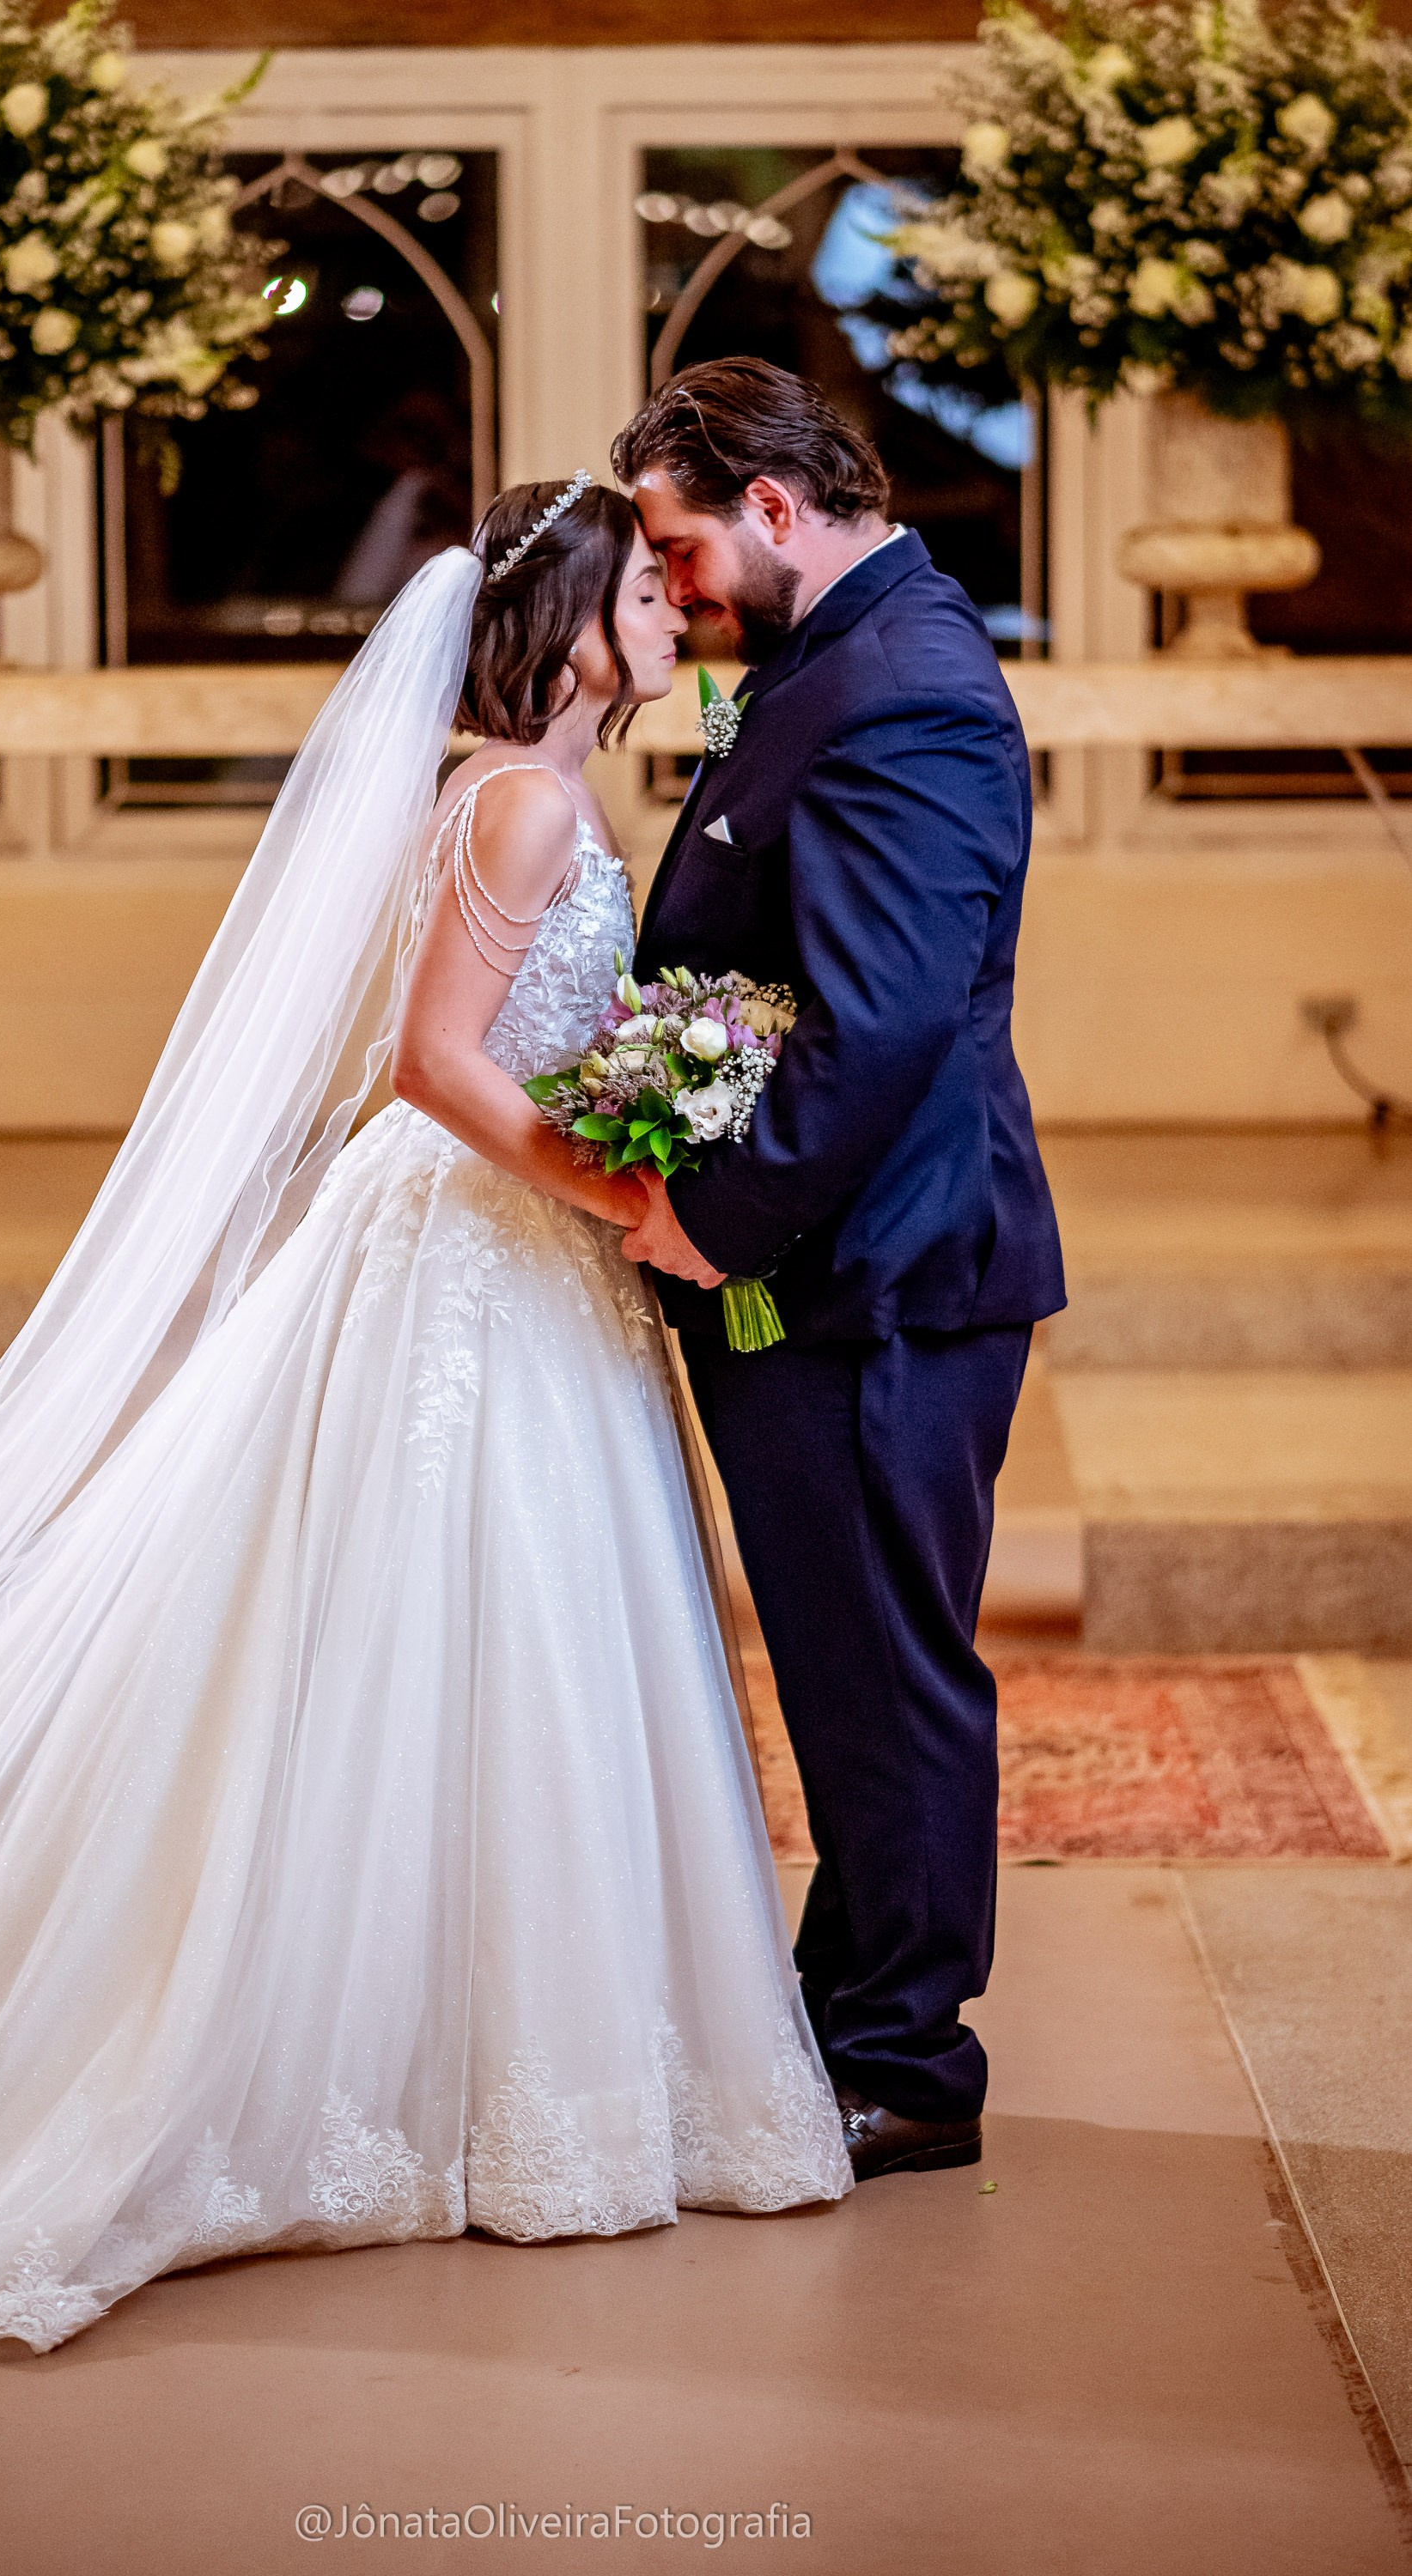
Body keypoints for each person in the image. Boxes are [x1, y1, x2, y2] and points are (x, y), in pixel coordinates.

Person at [0, 478, 845, 2360]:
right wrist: (621, 1187)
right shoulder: (534, 798)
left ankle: (472, 2064)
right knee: (483, 1622)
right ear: (561, 624)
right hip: (481, 1246)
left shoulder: (493, 783)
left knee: (480, 1635)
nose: (671, 609)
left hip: (475, 1248)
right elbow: (434, 1058)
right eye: (643, 587)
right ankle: (462, 2079)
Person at [613, 358, 1066, 2183]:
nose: (673, 588)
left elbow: (875, 1030)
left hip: (879, 1279)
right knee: (844, 1668)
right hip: (834, 1273)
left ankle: (909, 2065)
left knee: (886, 1675)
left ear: (776, 510)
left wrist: (712, 1221)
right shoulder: (822, 658)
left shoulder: (907, 693)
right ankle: (838, 2023)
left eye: (679, 546)